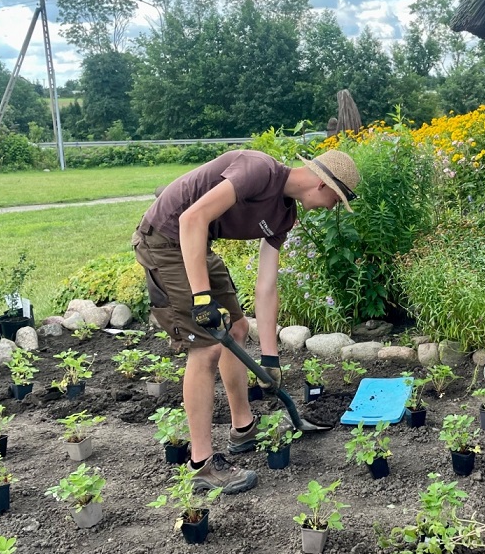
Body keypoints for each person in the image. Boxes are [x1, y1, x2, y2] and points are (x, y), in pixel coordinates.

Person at [132, 148, 360, 493]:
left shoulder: (284, 217)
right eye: (336, 200)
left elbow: (266, 287)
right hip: (165, 240)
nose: (332, 208)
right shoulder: (259, 170)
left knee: (237, 328)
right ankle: (201, 465)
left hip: (196, 243)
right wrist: (201, 298)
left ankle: (243, 428)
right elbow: (191, 218)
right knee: (206, 348)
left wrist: (270, 358)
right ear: (322, 184)